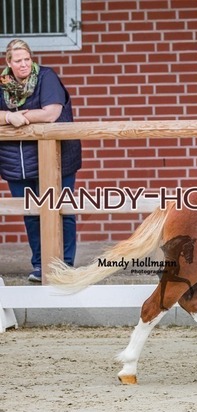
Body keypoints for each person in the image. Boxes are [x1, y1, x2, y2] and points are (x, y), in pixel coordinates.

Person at [0, 39, 81, 282]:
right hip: (16, 162)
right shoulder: (2, 83)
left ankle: (65, 265)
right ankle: (40, 266)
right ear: (8, 62)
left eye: (27, 59)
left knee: (62, 210)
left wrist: (19, 116)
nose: (24, 64)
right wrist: (8, 117)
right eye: (18, 60)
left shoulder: (46, 77)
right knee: (31, 213)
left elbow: (51, 113)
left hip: (57, 159)